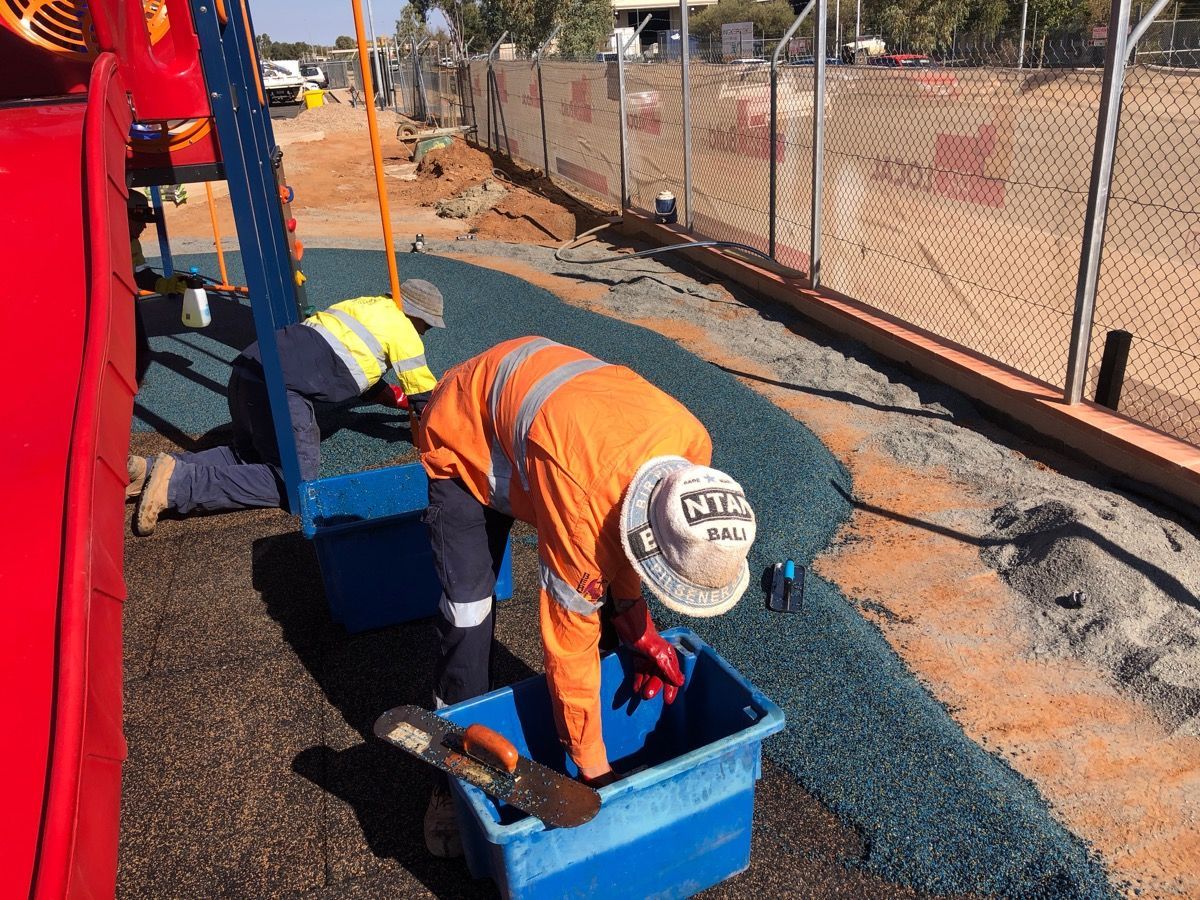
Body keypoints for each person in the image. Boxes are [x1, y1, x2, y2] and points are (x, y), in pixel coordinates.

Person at [416, 336, 756, 857]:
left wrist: (636, 627)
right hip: (467, 437)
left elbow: (626, 531)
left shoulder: (692, 448)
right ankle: (450, 773)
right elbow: (568, 643)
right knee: (468, 614)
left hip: (552, 429)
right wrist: (595, 772)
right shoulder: (580, 502)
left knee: (595, 601)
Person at [128, 281, 446, 535]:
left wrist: (395, 400)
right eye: (427, 326)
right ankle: (178, 487)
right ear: (417, 316)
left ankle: (149, 470)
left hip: (249, 369)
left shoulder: (363, 305)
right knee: (294, 481)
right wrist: (440, 434)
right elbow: (425, 399)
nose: (425, 332)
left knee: (248, 455)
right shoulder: (406, 332)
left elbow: (356, 373)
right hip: (282, 388)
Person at [128, 190, 188, 385]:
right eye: (140, 220)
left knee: (139, 350)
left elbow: (141, 274)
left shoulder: (133, 244)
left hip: (126, 302)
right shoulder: (103, 241)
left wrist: (166, 285)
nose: (145, 226)